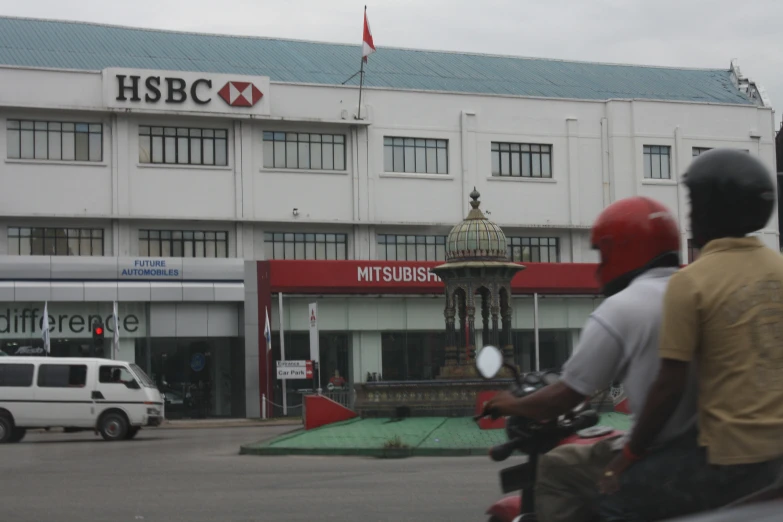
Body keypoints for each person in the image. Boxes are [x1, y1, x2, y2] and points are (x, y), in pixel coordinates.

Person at [484, 196, 698, 522]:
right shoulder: (698, 289)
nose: (599, 266)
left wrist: (507, 405)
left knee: (557, 466)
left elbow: (565, 395)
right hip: (705, 452)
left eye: (602, 254)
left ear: (621, 249)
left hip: (657, 453)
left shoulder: (622, 307)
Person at [597, 148, 783, 521]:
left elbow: (669, 387)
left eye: (695, 204)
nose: (689, 216)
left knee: (610, 500)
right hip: (777, 457)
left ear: (715, 209)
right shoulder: (779, 270)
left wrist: (627, 458)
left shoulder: (692, 282)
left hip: (729, 461)